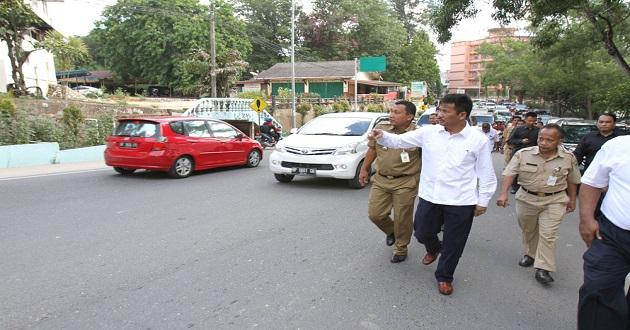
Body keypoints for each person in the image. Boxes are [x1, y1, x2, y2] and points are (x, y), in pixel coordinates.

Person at [369, 94, 497, 296]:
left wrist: (483, 200)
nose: (439, 114)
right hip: (430, 197)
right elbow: (398, 140)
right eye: (439, 109)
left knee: (454, 242)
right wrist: (381, 135)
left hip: (461, 200)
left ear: (462, 114)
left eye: (445, 111)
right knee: (421, 232)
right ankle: (434, 247)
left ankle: (444, 276)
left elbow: (486, 172)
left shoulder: (478, 140)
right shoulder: (429, 133)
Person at [497, 124, 580, 285]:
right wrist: (503, 193)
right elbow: (510, 173)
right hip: (527, 198)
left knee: (548, 234)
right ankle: (531, 253)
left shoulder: (568, 157)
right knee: (528, 229)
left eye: (549, 140)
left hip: (555, 199)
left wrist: (572, 199)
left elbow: (573, 180)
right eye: (541, 138)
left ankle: (543, 268)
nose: (543, 142)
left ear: (559, 140)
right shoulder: (524, 154)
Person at [577, 135, 630, 329]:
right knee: (597, 290)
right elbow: (592, 182)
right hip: (612, 235)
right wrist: (587, 219)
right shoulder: (619, 146)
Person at [359, 100, 420, 263]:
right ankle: (392, 231)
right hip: (381, 179)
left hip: (406, 181)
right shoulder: (382, 129)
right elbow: (372, 150)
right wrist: (364, 169)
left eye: (396, 112)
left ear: (409, 117)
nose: (391, 115)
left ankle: (401, 247)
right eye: (391, 111)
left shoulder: (418, 134)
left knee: (402, 217)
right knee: (375, 214)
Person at [508, 111, 539, 194]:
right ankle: (514, 186)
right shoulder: (518, 129)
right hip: (518, 153)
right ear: (525, 120)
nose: (532, 123)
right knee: (516, 170)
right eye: (530, 121)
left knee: (531, 171)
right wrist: (521, 141)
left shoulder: (538, 130)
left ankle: (528, 187)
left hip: (533, 154)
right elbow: (510, 141)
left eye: (534, 121)